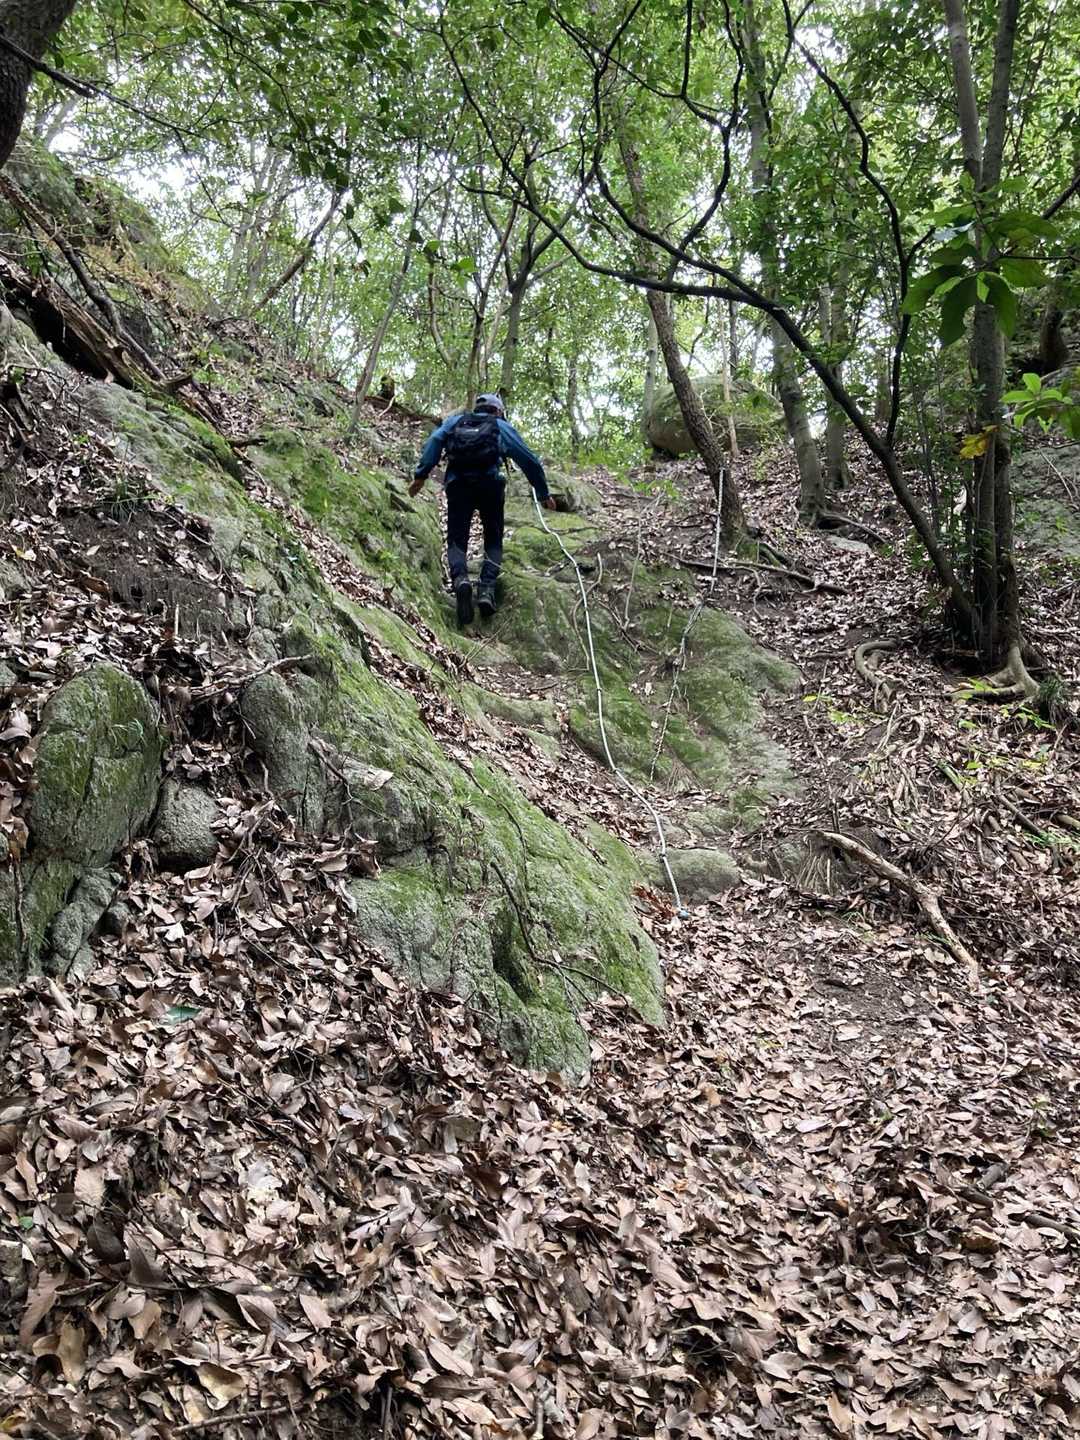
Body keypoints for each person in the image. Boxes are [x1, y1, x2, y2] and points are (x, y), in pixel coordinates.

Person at [409, 393, 556, 624]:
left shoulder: (455, 422)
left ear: (477, 408)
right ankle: (486, 589)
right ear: (498, 411)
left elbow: (435, 440)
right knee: (493, 539)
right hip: (490, 486)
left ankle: (461, 581)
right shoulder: (500, 426)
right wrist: (543, 493)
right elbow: (528, 459)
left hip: (458, 485)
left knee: (457, 539)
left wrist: (421, 475)